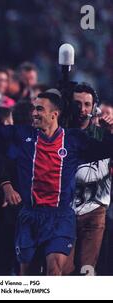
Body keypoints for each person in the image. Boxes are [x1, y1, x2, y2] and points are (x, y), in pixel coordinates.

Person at [0, 88, 113, 275]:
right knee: (28, 275)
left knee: (54, 269)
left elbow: (105, 149)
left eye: (39, 109)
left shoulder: (73, 140)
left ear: (54, 114)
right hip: (29, 216)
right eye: (34, 109)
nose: (34, 113)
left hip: (60, 217)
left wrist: (108, 130)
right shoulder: (22, 136)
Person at [63, 84, 112, 275]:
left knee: (87, 272)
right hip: (64, 213)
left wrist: (111, 130)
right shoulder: (60, 133)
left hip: (95, 211)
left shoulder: (102, 132)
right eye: (77, 104)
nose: (82, 110)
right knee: (62, 272)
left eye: (87, 104)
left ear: (94, 107)